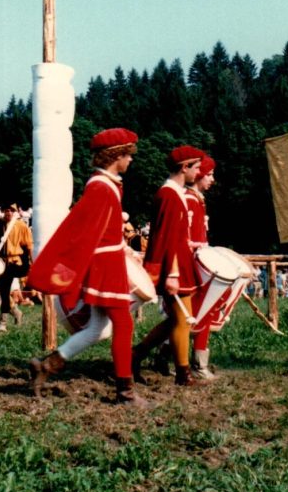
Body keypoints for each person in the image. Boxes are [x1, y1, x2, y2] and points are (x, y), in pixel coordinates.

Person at [27, 128, 147, 405]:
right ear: (115, 155)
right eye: (128, 154)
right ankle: (125, 392)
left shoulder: (108, 184)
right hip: (105, 266)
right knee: (124, 324)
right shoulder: (101, 187)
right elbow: (83, 232)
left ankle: (46, 366)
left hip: (110, 261)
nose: (130, 160)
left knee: (95, 329)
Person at [131, 145, 205, 387]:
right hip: (175, 268)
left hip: (179, 262)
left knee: (177, 319)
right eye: (196, 167)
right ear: (184, 168)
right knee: (181, 320)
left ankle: (137, 355)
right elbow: (167, 238)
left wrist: (189, 243)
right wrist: (171, 274)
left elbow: (176, 235)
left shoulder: (174, 194)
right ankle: (183, 373)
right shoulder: (169, 195)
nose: (199, 172)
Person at [188, 154, 219, 380]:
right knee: (198, 314)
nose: (212, 179)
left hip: (198, 263)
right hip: (191, 265)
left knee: (200, 314)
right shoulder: (189, 199)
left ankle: (162, 355)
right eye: (209, 174)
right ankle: (198, 365)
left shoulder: (197, 199)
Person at [0, 203, 34, 332]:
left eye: (12, 210)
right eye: (7, 210)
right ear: (3, 211)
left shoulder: (21, 226)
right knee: (2, 290)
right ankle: (16, 312)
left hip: (14, 262)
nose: (9, 213)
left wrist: (32, 263)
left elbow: (29, 247)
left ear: (15, 212)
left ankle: (3, 322)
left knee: (5, 291)